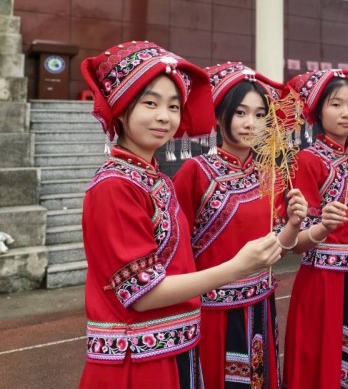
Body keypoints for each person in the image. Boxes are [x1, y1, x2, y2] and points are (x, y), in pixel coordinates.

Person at [79, 41, 283, 389]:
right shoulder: (115, 186)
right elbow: (142, 293)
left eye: (173, 106)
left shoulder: (154, 179)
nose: (164, 116)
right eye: (151, 103)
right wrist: (237, 267)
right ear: (121, 108)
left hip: (175, 345)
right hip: (140, 359)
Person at [172, 62, 308, 388]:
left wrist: (293, 223)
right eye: (241, 113)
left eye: (261, 115)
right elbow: (175, 248)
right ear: (220, 116)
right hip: (212, 312)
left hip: (260, 304)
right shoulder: (195, 172)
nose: (251, 123)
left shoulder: (269, 174)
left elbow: (277, 248)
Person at [282, 69, 348, 388]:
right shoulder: (307, 160)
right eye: (336, 104)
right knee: (324, 359)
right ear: (318, 112)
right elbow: (296, 243)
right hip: (324, 281)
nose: (346, 112)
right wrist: (322, 228)